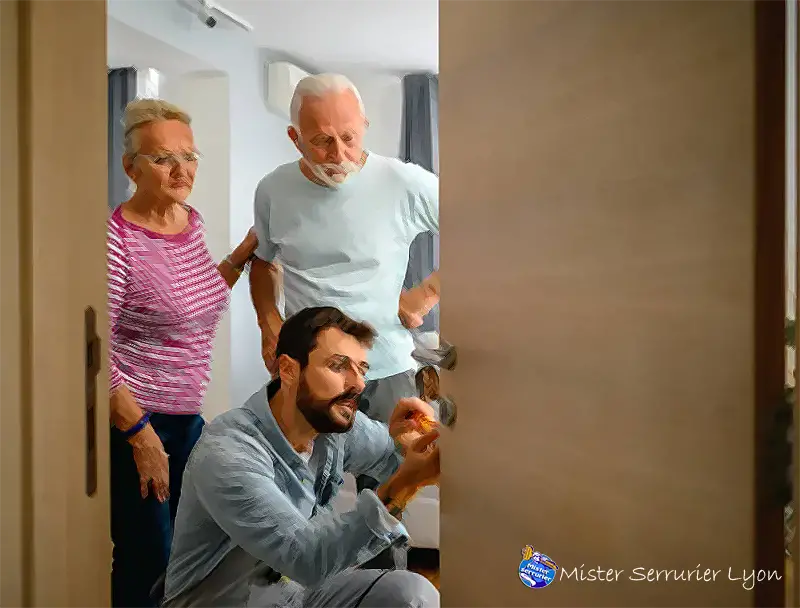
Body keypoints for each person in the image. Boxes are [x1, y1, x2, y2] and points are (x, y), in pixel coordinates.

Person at [249, 74, 440, 567]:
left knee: (390, 500)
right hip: (309, 377)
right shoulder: (273, 189)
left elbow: (487, 226)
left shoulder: (402, 181)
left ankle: (387, 592)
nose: (338, 152)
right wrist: (268, 319)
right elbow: (264, 262)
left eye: (349, 137)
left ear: (366, 127)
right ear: (295, 138)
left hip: (387, 370)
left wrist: (427, 293)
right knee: (304, 503)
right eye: (321, 140)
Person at [162, 306, 441, 608]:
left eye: (361, 370)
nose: (358, 384)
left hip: (294, 595)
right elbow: (304, 558)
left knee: (412, 594)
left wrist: (408, 444)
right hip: (226, 601)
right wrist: (401, 486)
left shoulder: (331, 424)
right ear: (288, 370)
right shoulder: (228, 453)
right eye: (338, 366)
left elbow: (394, 457)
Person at [108, 98, 258, 608]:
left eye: (190, 157)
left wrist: (242, 255)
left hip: (186, 419)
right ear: (131, 167)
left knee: (190, 555)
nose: (181, 170)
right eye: (163, 158)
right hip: (137, 424)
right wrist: (138, 434)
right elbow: (89, 348)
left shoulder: (189, 222)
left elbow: (199, 301)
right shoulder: (116, 240)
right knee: (147, 560)